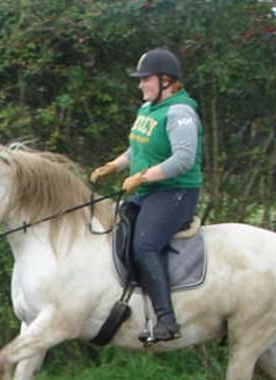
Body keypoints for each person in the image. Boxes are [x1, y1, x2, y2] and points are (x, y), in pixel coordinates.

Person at [90, 48, 203, 343]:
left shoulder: (181, 113)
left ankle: (167, 321)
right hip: (149, 190)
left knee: (144, 245)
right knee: (118, 229)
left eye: (145, 79)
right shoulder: (148, 110)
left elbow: (184, 159)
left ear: (167, 80)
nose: (140, 85)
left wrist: (141, 177)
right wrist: (113, 166)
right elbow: (137, 148)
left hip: (175, 192)